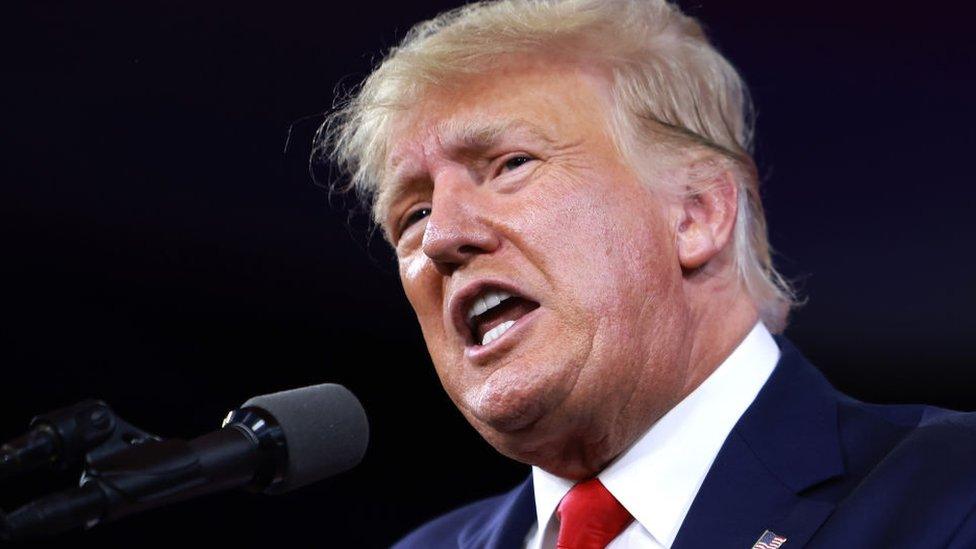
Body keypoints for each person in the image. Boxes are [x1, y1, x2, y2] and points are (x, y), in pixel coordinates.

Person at [319, 0, 976, 547]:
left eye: (510, 164)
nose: (442, 237)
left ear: (696, 212)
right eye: (413, 212)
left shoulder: (946, 493)